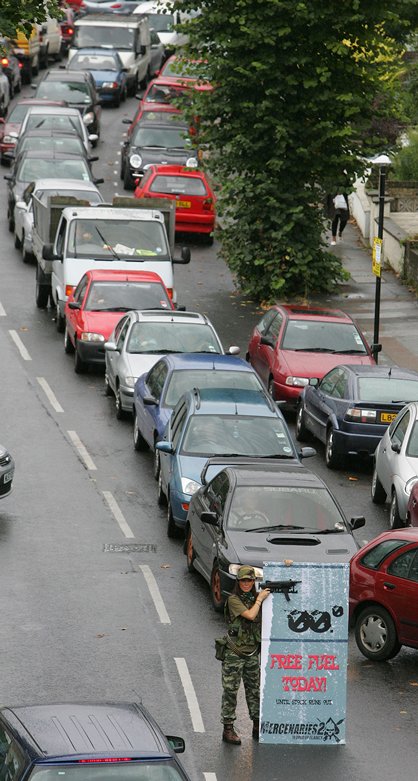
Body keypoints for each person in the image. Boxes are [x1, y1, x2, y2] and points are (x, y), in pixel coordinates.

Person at [221, 565, 270, 745]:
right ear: (238, 581)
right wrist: (260, 600)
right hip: (234, 653)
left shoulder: (256, 598)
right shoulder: (234, 600)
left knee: (254, 690)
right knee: (230, 691)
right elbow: (249, 615)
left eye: (249, 580)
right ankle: (228, 728)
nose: (246, 583)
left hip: (251, 653)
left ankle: (257, 725)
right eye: (243, 580)